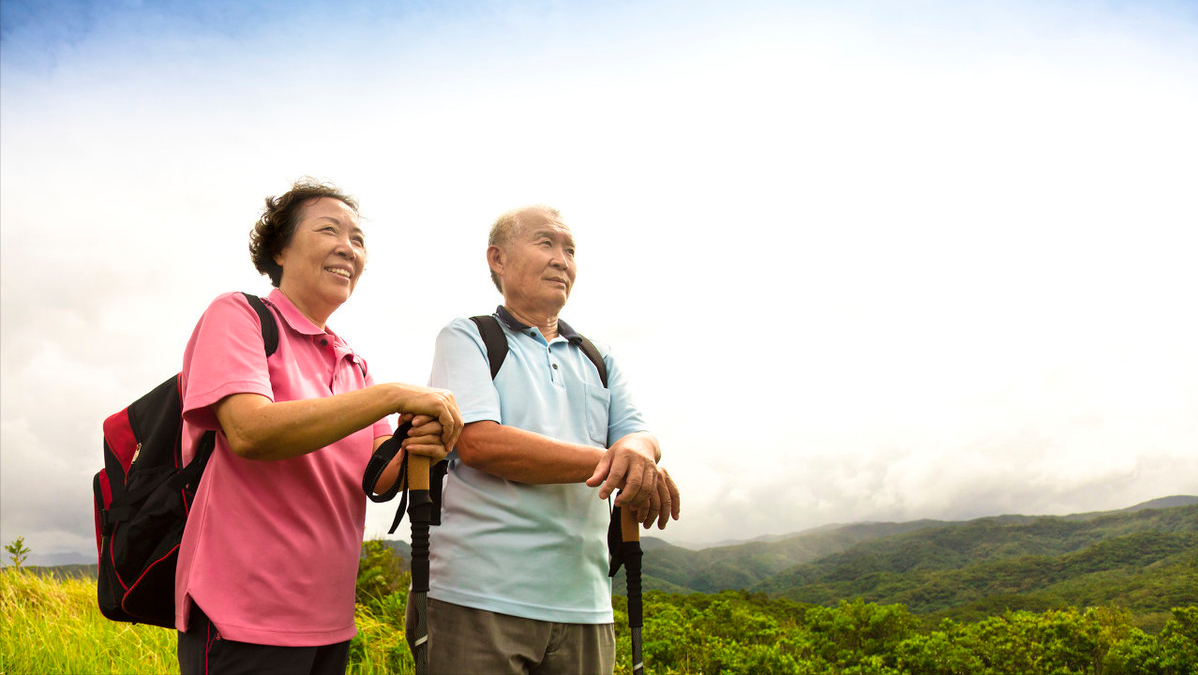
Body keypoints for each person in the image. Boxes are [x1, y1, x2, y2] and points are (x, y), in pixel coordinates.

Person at [174, 179, 463, 675]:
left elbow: (379, 478)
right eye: (329, 230)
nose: (347, 247)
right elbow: (250, 431)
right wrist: (392, 396)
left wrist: (420, 441)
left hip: (329, 620)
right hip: (242, 615)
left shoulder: (354, 362)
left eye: (357, 239)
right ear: (280, 249)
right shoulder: (240, 316)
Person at [415, 205, 681, 674]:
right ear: (497, 259)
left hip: (586, 605)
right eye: (546, 243)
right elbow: (479, 442)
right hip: (478, 597)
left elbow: (638, 436)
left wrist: (638, 452)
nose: (563, 259)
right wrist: (617, 461)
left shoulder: (600, 357)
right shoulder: (468, 336)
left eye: (570, 249)